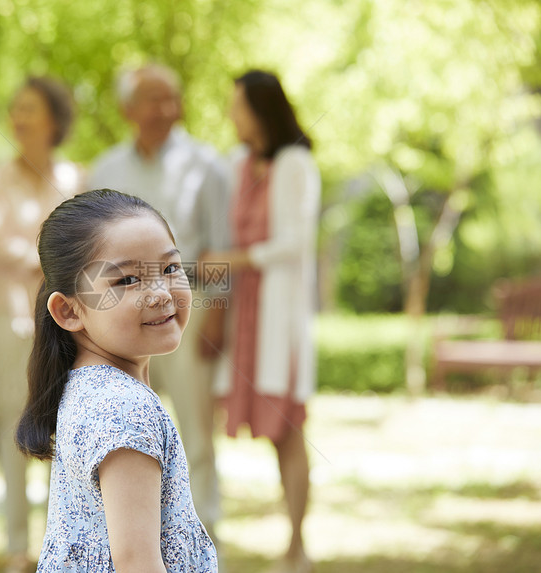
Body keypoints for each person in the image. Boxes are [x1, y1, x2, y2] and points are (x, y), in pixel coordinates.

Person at [15, 189, 218, 572]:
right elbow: (137, 564)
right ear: (69, 311)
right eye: (126, 280)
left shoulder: (89, 388)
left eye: (170, 269)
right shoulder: (123, 408)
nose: (159, 294)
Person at [87, 64, 229, 543]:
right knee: (123, 430)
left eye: (173, 98)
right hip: (118, 323)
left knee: (195, 429)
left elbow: (218, 251)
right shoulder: (104, 171)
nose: (167, 109)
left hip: (187, 314)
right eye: (154, 98)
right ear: (129, 108)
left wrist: (215, 317)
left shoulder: (207, 164)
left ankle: (203, 542)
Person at [205, 70, 320, 573]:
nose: (232, 115)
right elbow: (222, 235)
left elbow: (296, 242)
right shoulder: (237, 164)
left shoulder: (295, 163)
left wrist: (237, 259)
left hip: (278, 313)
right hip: (242, 312)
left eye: (238, 106)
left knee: (288, 427)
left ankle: (297, 545)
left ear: (261, 109)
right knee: (251, 423)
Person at [0, 76, 83, 573]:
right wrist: (54, 259)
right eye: (14, 108)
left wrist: (53, 262)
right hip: (12, 313)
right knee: (14, 422)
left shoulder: (77, 178)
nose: (18, 116)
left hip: (67, 320)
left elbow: (90, 244)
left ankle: (63, 542)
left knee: (66, 425)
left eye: (30, 108)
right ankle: (17, 545)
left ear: (53, 120)